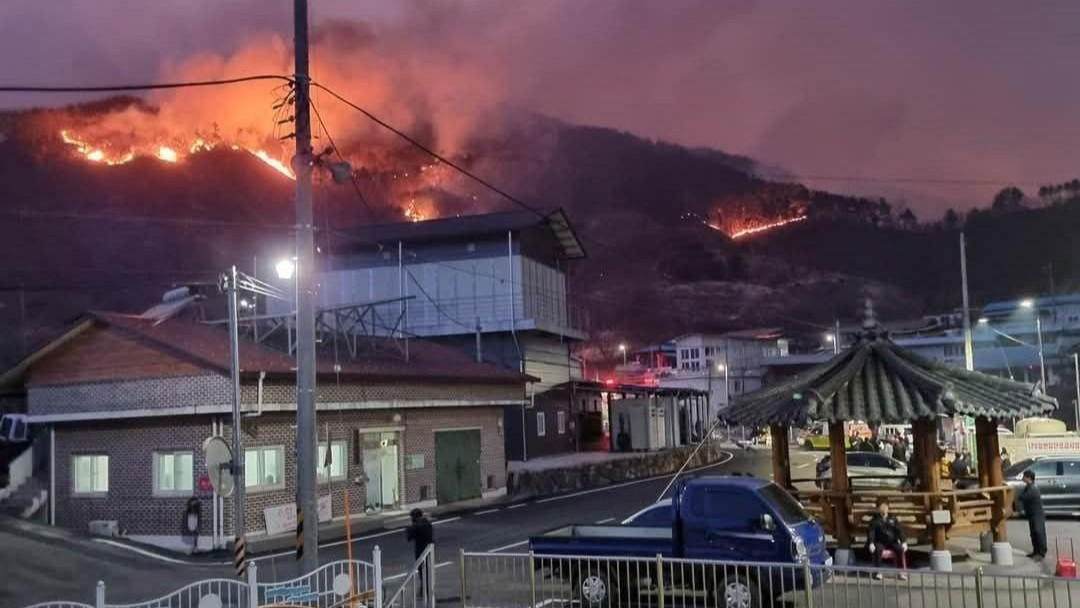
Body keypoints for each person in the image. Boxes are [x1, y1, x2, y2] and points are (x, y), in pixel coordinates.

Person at [867, 497, 908, 580]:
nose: (883, 509)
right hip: (880, 541)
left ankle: (901, 572)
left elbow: (899, 530)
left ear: (888, 508)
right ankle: (878, 571)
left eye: (885, 507)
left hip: (892, 541)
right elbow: (871, 532)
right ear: (878, 508)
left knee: (899, 549)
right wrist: (871, 543)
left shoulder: (893, 518)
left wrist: (904, 541)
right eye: (881, 507)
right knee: (878, 549)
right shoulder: (874, 520)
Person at [1018, 470, 1047, 560]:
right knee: (1033, 533)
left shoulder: (1033, 489)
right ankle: (1035, 551)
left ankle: (1041, 552)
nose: (1023, 478)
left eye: (1024, 476)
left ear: (1028, 478)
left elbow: (1022, 497)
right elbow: (1021, 496)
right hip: (1031, 513)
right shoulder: (1028, 487)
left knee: (1038, 533)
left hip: (1037, 514)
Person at [406, 508, 434, 588]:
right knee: (427, 569)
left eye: (412, 517)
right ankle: (428, 587)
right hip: (429, 549)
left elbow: (409, 538)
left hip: (420, 550)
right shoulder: (427, 523)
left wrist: (409, 529)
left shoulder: (416, 526)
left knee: (422, 570)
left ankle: (424, 588)